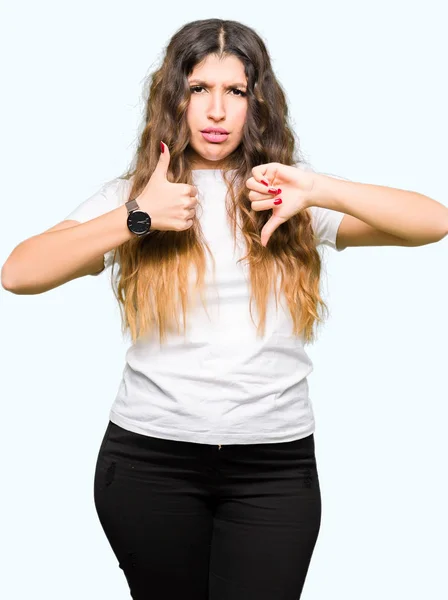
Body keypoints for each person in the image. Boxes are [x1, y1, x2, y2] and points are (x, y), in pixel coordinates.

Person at [2, 17, 447, 600]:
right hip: (149, 463)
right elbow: (19, 271)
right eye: (198, 89)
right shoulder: (139, 196)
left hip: (274, 467)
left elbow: (433, 221)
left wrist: (319, 188)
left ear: (256, 102)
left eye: (234, 91)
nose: (216, 111)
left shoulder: (283, 194)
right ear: (176, 99)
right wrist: (137, 216)